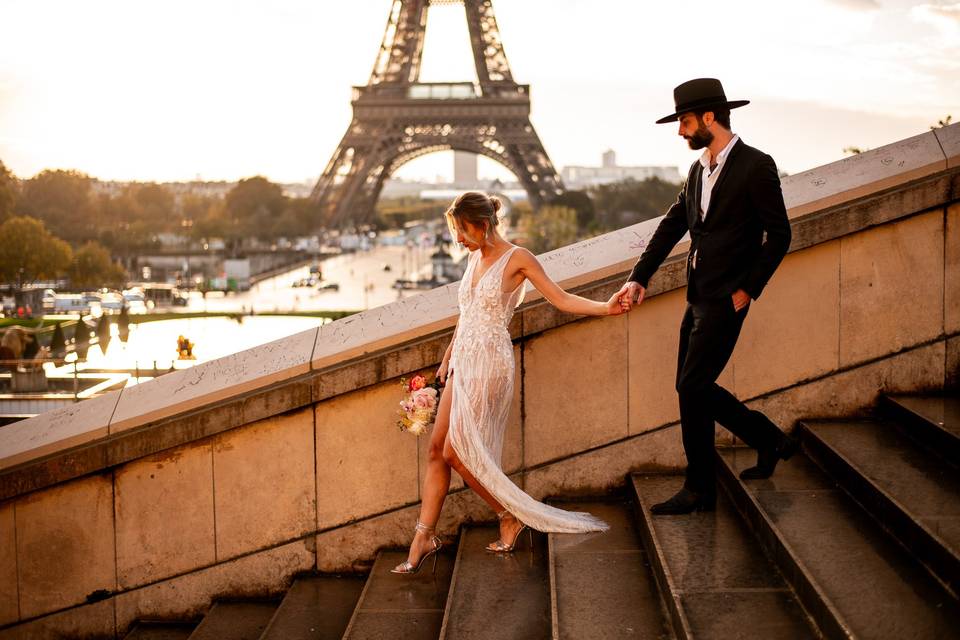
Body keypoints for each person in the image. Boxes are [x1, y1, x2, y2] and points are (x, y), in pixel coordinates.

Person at [393, 192, 619, 574]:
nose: (457, 241)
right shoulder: (473, 257)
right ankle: (424, 535)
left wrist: (606, 307)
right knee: (436, 449)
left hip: (489, 364)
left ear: (482, 225)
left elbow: (560, 300)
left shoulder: (519, 259)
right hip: (463, 360)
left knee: (456, 454)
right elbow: (466, 315)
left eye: (461, 231)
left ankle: (508, 515)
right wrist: (446, 359)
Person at [617, 78, 796, 515]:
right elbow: (672, 224)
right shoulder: (699, 169)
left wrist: (747, 289)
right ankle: (764, 443)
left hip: (726, 298)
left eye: (684, 121)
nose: (680, 131)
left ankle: (704, 483)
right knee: (689, 390)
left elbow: (781, 234)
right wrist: (639, 277)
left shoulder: (756, 165)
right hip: (697, 294)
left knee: (691, 385)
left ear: (709, 117)